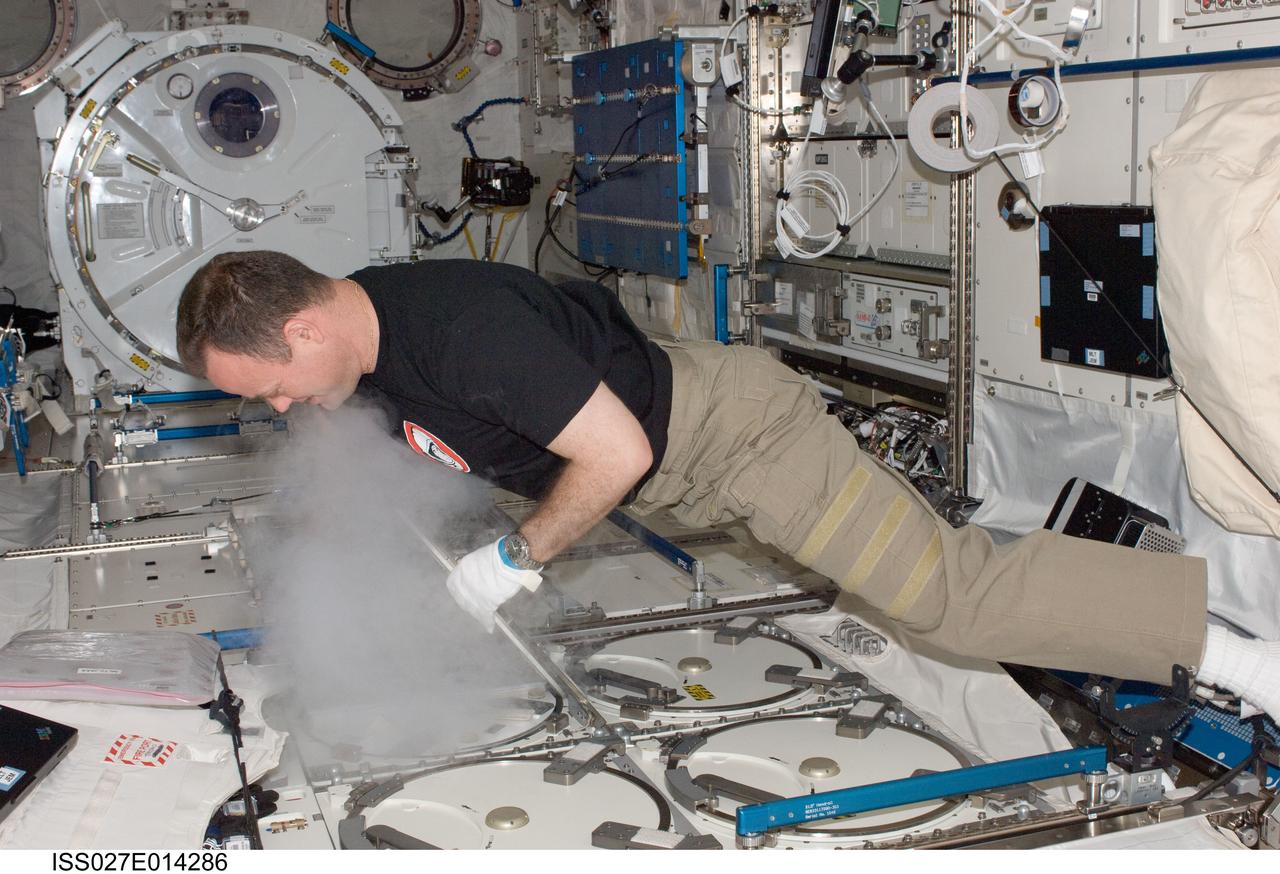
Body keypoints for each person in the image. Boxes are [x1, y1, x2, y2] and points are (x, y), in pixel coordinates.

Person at [175, 250, 1280, 723]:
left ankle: (1240, 653)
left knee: (947, 593)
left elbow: (612, 458)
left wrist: (510, 563)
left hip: (733, 435)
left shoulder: (459, 331)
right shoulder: (357, 355)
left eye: (268, 386)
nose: (280, 408)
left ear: (305, 326)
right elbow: (357, 466)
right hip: (677, 464)